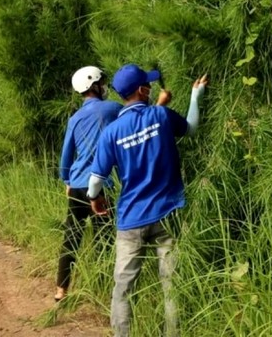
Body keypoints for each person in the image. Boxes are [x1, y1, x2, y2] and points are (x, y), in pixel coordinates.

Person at [88, 64, 208, 337]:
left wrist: (95, 199)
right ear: (142, 90)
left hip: (131, 220)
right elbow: (191, 129)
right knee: (171, 285)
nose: (151, 87)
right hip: (167, 214)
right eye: (148, 85)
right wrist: (195, 97)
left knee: (123, 289)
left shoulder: (112, 133)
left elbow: (95, 180)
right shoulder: (161, 115)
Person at [54, 66, 122, 302]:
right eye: (102, 82)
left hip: (76, 186)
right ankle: (103, 292)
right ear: (94, 85)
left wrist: (66, 181)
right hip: (102, 186)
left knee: (71, 236)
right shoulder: (113, 108)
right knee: (103, 239)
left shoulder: (75, 118)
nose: (104, 86)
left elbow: (66, 156)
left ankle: (61, 290)